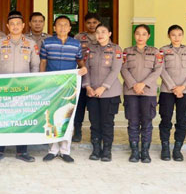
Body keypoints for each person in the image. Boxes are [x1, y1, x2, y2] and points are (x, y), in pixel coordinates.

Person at [0, 10, 40, 163]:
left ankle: (22, 151)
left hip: (23, 89)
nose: (15, 26)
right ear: (7, 26)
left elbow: (35, 66)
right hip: (3, 88)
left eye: (18, 24)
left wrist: (31, 85)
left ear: (23, 25)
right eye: (12, 24)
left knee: (22, 119)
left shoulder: (31, 44)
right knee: (1, 119)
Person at [39, 15, 86, 164]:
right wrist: (42, 80)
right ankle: (52, 150)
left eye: (66, 25)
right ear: (54, 27)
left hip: (69, 86)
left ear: (70, 28)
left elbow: (80, 61)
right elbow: (43, 62)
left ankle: (65, 151)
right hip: (51, 85)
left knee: (68, 117)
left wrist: (83, 68)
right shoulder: (47, 42)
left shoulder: (76, 44)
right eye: (59, 24)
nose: (62, 27)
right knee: (52, 116)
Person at [121, 24, 163, 164]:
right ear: (134, 35)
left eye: (144, 34)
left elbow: (158, 70)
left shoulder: (155, 52)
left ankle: (145, 151)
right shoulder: (127, 52)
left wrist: (143, 84)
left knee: (147, 122)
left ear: (148, 36)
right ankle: (134, 151)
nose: (140, 36)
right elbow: (123, 69)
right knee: (132, 121)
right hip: (130, 91)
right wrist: (134, 84)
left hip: (148, 92)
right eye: (138, 33)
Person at [82, 23, 123, 163]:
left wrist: (103, 87)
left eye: (104, 32)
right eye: (98, 32)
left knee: (107, 123)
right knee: (94, 122)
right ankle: (96, 149)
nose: (100, 35)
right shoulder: (90, 48)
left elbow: (115, 71)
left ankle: (106, 150)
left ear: (109, 34)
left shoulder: (116, 49)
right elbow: (86, 69)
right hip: (92, 92)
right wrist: (87, 87)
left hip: (109, 93)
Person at [158, 25, 186, 161]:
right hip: (167, 91)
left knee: (182, 121)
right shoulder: (163, 50)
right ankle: (165, 148)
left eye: (179, 34)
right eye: (173, 35)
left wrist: (183, 87)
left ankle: (177, 149)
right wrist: (173, 87)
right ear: (169, 36)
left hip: (185, 91)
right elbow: (161, 70)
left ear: (182, 36)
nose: (176, 37)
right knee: (165, 120)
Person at [72, 13, 101, 142]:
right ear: (84, 24)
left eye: (94, 22)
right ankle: (77, 131)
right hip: (81, 75)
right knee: (79, 106)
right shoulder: (78, 37)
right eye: (89, 22)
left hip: (96, 77)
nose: (92, 25)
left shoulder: (102, 35)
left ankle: (95, 134)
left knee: (95, 109)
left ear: (99, 23)